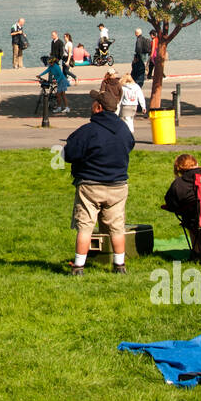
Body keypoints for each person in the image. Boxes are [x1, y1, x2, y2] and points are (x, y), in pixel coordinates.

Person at [63, 87, 134, 275]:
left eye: (94, 102)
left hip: (90, 185)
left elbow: (69, 153)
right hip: (118, 185)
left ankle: (78, 266)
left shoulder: (88, 131)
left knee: (85, 226)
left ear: (98, 108)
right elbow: (130, 145)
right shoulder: (123, 129)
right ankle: (119, 266)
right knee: (117, 227)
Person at [161, 153, 201, 232]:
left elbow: (171, 204)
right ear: (197, 164)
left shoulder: (178, 184)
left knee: (190, 217)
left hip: (198, 226)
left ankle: (197, 245)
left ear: (178, 169)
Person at [115, 72, 147, 136]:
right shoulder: (136, 86)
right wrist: (143, 106)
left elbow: (120, 98)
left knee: (126, 119)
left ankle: (129, 132)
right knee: (130, 118)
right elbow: (140, 97)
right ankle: (130, 131)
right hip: (134, 105)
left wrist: (117, 106)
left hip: (126, 105)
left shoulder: (123, 88)